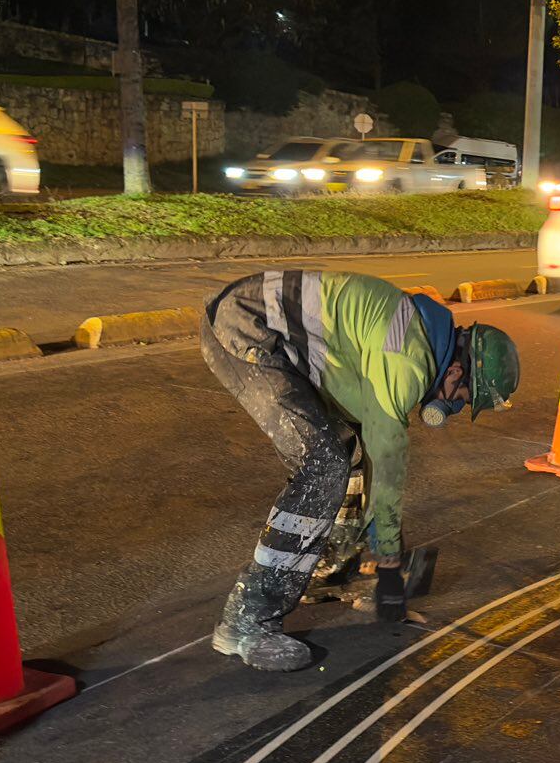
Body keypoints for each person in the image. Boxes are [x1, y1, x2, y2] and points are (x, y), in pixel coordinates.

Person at [200, 271, 519, 670]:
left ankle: (330, 569)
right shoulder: (407, 363)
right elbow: (387, 466)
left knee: (347, 452)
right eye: (463, 399)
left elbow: (369, 450)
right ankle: (248, 620)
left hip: (264, 327)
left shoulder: (418, 338)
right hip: (247, 326)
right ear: (456, 372)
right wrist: (389, 569)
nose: (453, 409)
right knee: (323, 465)